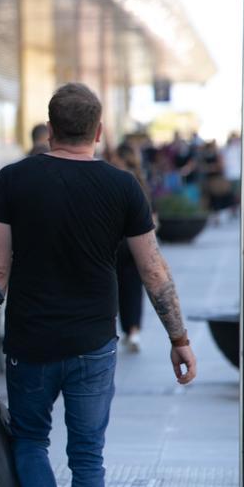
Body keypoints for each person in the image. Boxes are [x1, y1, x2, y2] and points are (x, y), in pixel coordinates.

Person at [0, 84, 197, 487]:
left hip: (30, 338)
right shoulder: (123, 187)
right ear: (98, 132)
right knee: (88, 457)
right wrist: (178, 338)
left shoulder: (13, 179)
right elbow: (152, 270)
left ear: (49, 129)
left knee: (30, 438)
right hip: (94, 339)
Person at [106, 142, 152, 353]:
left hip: (113, 242)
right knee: (133, 288)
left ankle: (112, 330)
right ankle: (133, 332)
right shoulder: (139, 181)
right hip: (136, 242)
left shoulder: (113, 179)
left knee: (111, 286)